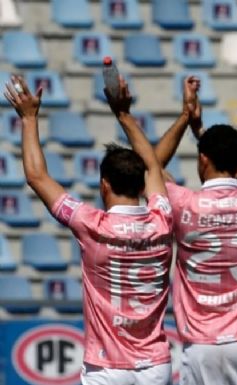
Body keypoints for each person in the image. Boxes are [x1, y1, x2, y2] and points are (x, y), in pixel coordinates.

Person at [3, 75, 174, 385]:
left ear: (104, 185)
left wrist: (29, 119)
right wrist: (123, 114)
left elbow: (37, 177)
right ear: (142, 185)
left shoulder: (91, 224)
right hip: (156, 365)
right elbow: (152, 165)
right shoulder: (163, 219)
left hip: (107, 368)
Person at [153, 76, 237, 385]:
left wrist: (186, 118)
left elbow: (150, 165)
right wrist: (203, 134)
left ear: (202, 159)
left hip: (200, 345)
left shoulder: (184, 203)